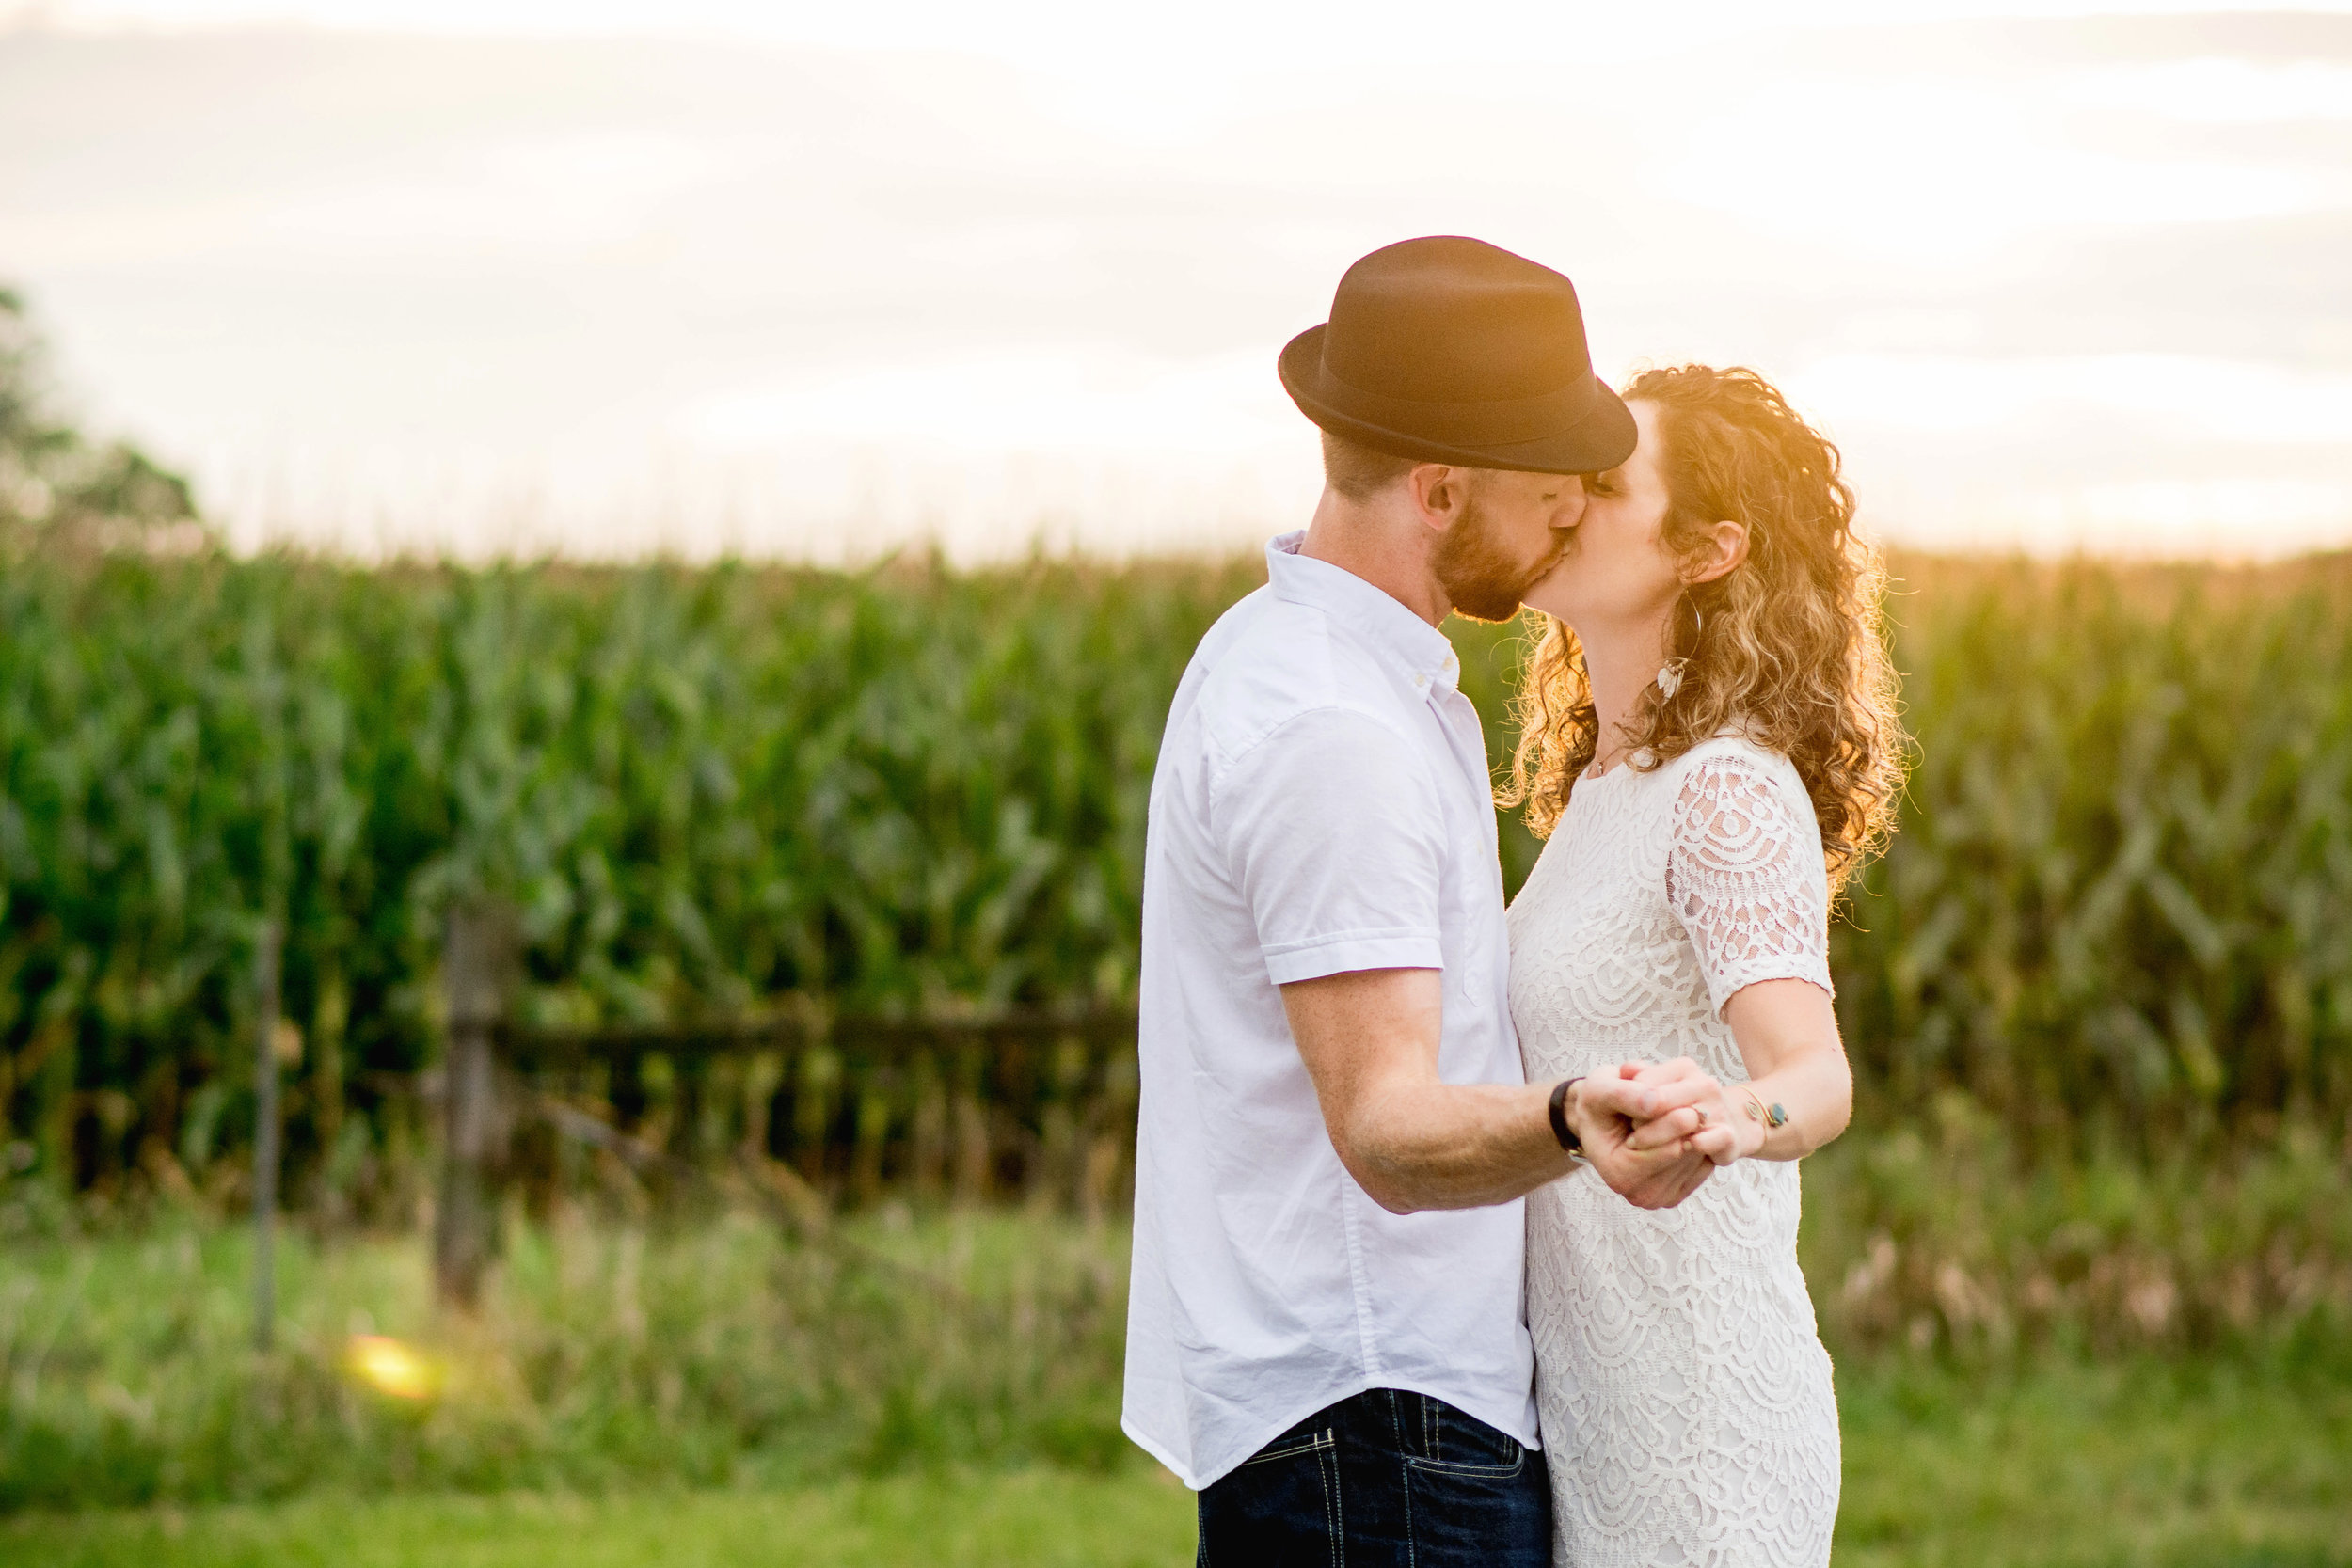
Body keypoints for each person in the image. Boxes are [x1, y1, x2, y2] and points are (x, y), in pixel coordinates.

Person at [1121, 236, 1720, 1566]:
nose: (1577, 509)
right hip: (1383, 1431)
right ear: (1442, 489)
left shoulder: (1326, 669)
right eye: (1553, 486)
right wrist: (1574, 1116)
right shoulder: (1332, 724)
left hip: (1375, 1424)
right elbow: (1386, 1123)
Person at [1502, 364, 1907, 1567]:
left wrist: (1737, 1112)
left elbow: (1813, 1072)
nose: (1565, 503)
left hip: (1702, 1418)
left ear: (1707, 548)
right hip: (1595, 1416)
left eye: (1607, 484)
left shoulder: (1724, 786)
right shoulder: (1601, 794)